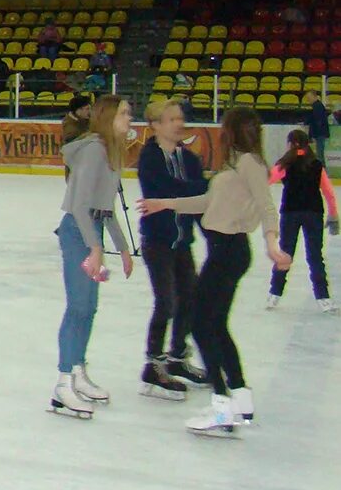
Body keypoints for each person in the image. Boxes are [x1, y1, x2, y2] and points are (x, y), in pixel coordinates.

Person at [140, 106, 292, 436]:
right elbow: (207, 201)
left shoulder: (249, 163)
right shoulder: (235, 163)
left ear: (231, 130)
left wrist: (272, 243)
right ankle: (240, 397)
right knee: (216, 326)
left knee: (200, 324)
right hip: (225, 250)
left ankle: (222, 405)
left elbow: (267, 205)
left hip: (229, 251)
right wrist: (166, 203)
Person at [49, 96, 135, 419]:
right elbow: (81, 206)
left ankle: (77, 370)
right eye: (124, 113)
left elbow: (105, 208)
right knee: (79, 306)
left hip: (91, 232)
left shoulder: (110, 153)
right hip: (77, 232)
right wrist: (95, 248)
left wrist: (123, 247)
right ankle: (63, 382)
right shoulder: (94, 152)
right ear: (108, 117)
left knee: (90, 307)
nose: (130, 118)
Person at [135, 98, 208, 399]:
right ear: (155, 125)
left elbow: (200, 196)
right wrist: (195, 188)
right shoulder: (149, 157)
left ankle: (177, 356)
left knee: (189, 300)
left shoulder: (189, 159)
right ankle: (153, 364)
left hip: (182, 241)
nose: (179, 124)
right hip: (158, 241)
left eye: (180, 119)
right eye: (172, 119)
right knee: (166, 301)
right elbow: (164, 189)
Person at [265, 129, 338, 313]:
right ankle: (324, 298)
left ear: (290, 143)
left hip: (290, 213)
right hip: (313, 213)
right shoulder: (316, 164)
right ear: (308, 144)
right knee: (315, 256)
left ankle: (274, 294)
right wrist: (334, 215)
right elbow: (329, 192)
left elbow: (267, 180)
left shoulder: (285, 164)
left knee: (285, 255)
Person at [307, 94, 332, 163]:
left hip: (319, 133)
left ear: (314, 97)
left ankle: (322, 171)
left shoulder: (317, 106)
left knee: (319, 155)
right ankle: (322, 171)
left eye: (309, 97)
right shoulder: (318, 105)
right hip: (321, 133)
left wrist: (313, 134)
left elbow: (316, 120)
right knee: (319, 154)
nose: (308, 99)